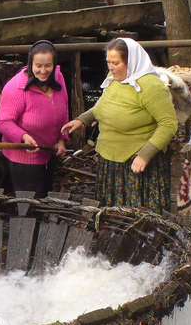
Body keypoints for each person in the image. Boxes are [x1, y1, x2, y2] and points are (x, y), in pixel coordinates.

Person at [61, 38, 177, 214]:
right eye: (108, 62)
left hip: (137, 160)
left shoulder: (150, 86)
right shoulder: (113, 78)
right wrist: (83, 119)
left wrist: (144, 155)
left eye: (116, 63)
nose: (111, 67)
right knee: (113, 213)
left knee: (138, 214)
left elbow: (168, 124)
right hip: (111, 157)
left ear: (130, 62)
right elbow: (103, 105)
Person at [0, 40, 69, 199]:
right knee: (29, 206)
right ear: (30, 64)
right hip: (24, 159)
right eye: (38, 66)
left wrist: (62, 140)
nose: (43, 71)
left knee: (44, 198)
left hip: (49, 153)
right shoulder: (16, 87)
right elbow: (3, 122)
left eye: (48, 65)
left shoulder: (58, 78)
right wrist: (23, 137)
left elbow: (64, 109)